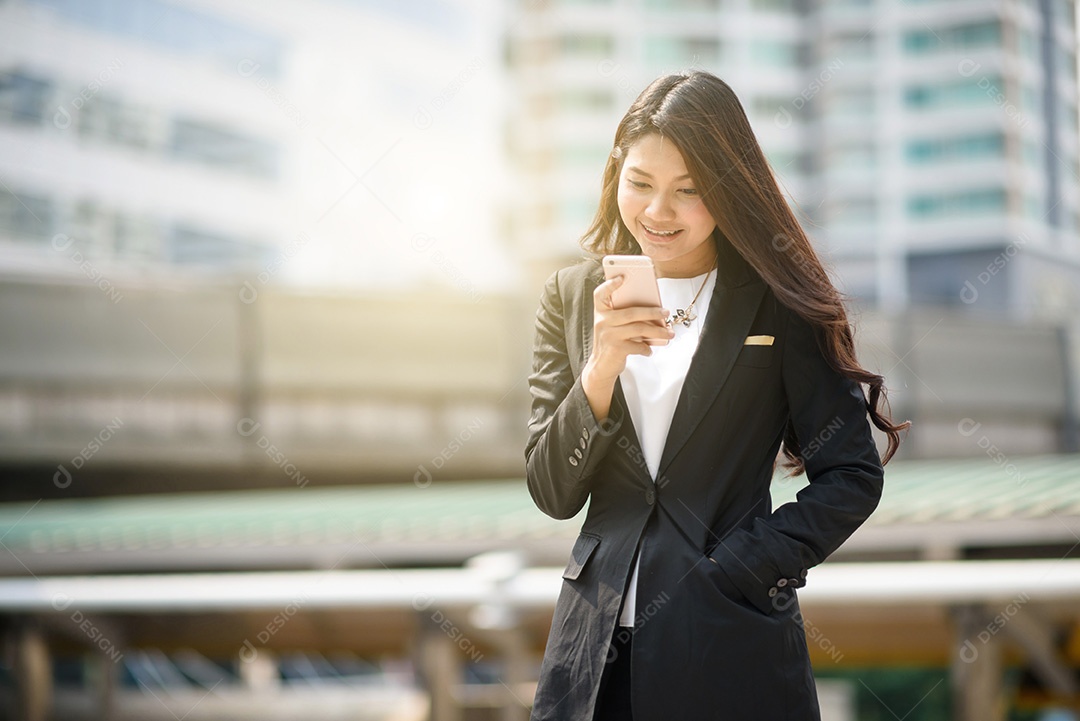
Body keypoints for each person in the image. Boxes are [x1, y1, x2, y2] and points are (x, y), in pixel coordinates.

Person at [524, 71, 909, 721]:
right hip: (590, 662)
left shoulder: (776, 303)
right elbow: (550, 490)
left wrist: (743, 565)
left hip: (729, 651)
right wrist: (600, 367)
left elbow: (850, 475)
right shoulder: (569, 298)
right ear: (615, 171)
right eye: (640, 183)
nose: (657, 212)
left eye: (688, 190)